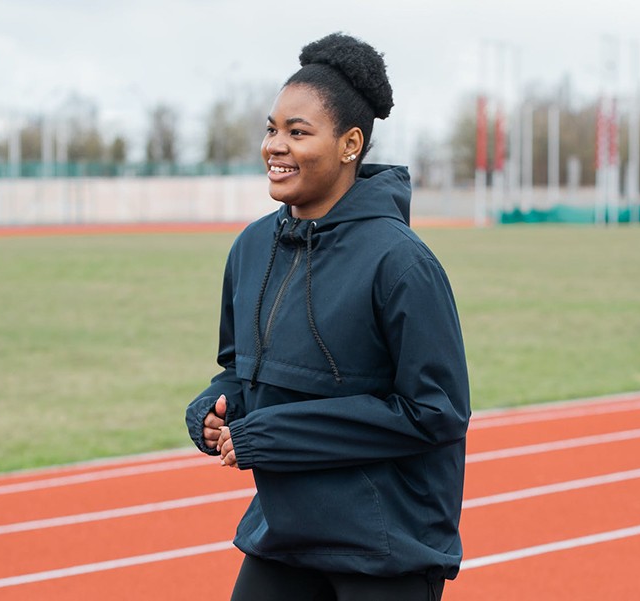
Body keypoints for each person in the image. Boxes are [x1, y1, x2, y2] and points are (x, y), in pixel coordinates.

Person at [185, 32, 470, 601]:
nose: (275, 146)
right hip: (286, 532)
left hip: (387, 545)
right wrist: (215, 410)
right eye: (271, 128)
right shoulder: (249, 248)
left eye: (297, 132)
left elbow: (434, 412)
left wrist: (273, 436)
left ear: (349, 144)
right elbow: (240, 371)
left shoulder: (402, 263)